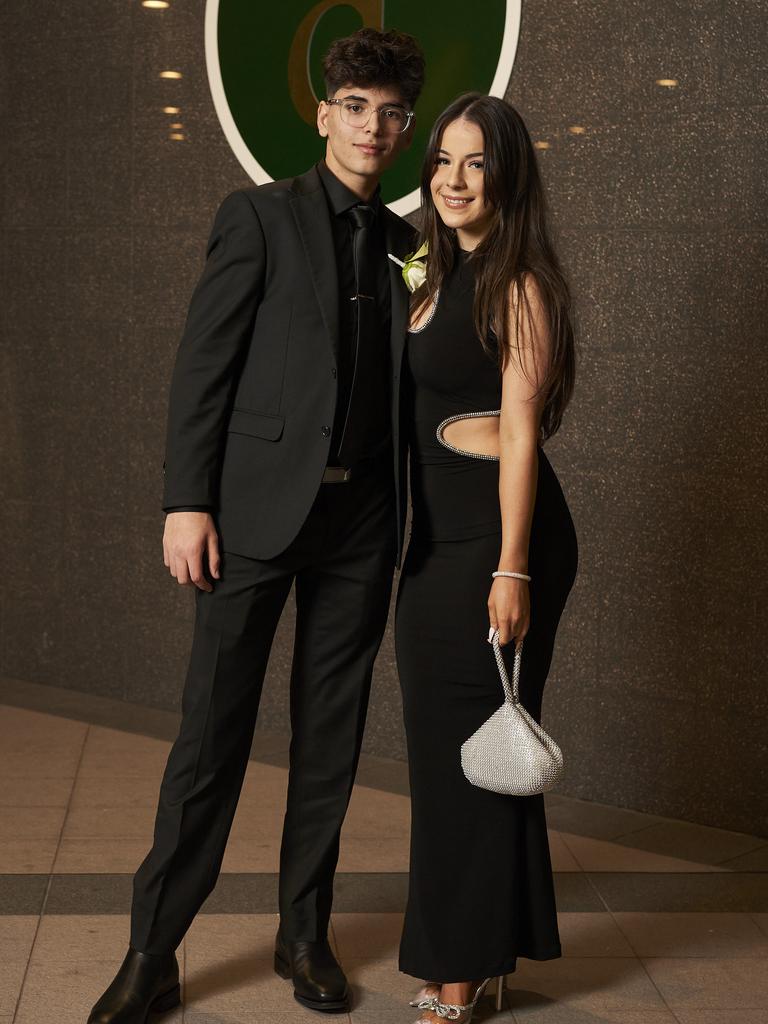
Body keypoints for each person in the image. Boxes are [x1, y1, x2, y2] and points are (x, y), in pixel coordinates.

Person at [86, 27, 424, 1024]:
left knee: (332, 738)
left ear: (405, 130)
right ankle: (154, 950)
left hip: (362, 520)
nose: (373, 126)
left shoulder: (412, 250)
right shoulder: (260, 218)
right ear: (324, 114)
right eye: (356, 106)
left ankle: (302, 932)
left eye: (392, 112)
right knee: (210, 737)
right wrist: (186, 501)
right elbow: (204, 368)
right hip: (251, 517)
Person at [393, 93, 579, 1024]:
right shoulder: (427, 273)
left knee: (474, 755)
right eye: (442, 161)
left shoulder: (520, 281)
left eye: (476, 163)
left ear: (507, 175)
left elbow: (518, 431)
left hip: (496, 537)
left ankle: (458, 969)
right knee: (449, 753)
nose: (454, 181)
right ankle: (487, 942)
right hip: (433, 539)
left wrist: (512, 568)